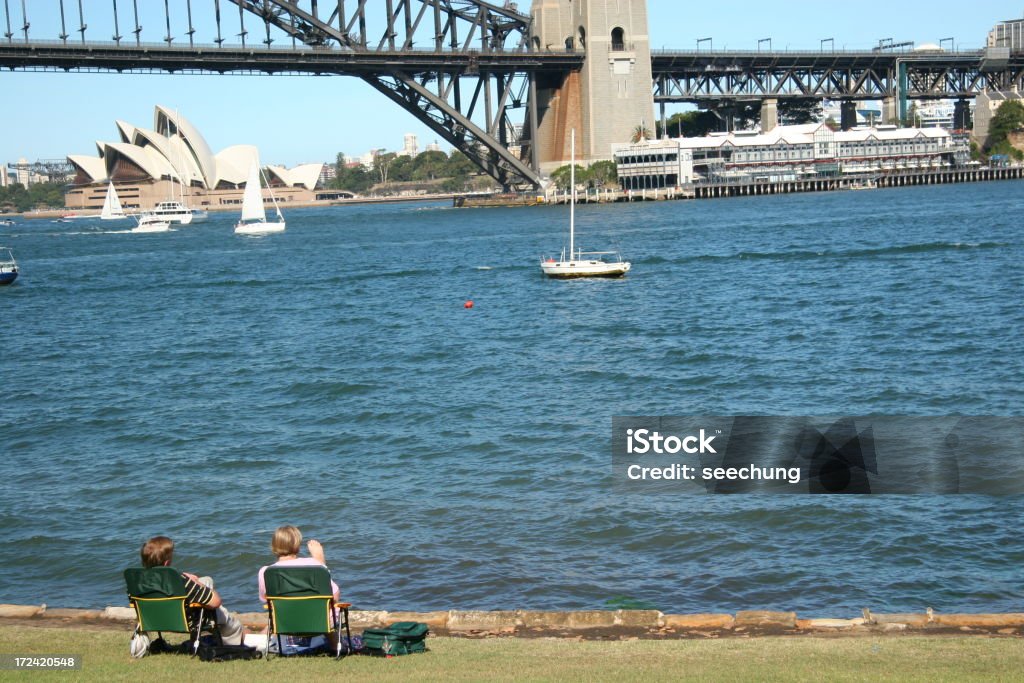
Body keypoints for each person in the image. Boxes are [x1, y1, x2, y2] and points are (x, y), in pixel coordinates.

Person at [139, 536, 245, 646]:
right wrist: (195, 582)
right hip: (188, 621)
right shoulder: (180, 581)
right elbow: (216, 602)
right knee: (229, 621)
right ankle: (237, 642)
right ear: (166, 563)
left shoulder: (138, 582)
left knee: (207, 580)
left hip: (154, 621)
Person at [258, 525, 340, 655]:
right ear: (297, 544)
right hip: (317, 620)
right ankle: (335, 646)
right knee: (328, 607)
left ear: (273, 546)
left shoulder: (266, 572)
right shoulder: (314, 565)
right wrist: (320, 560)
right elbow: (333, 596)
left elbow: (265, 599)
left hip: (284, 621)